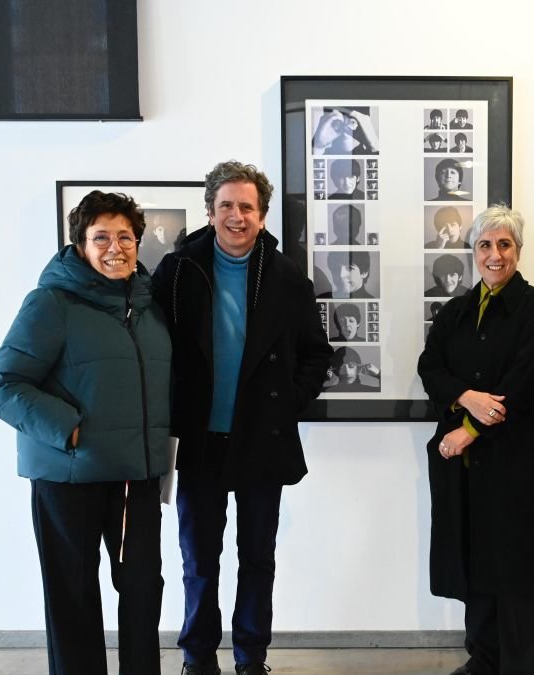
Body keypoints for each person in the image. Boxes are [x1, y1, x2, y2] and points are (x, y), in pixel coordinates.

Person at [152, 161, 333, 675]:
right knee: (199, 563)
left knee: (257, 560)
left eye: (246, 207)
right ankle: (197, 658)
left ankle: (252, 658)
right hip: (199, 442)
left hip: (261, 442)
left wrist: (284, 405)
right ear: (210, 211)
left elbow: (316, 354)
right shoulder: (179, 270)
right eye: (226, 205)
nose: (236, 216)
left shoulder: (286, 276)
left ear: (262, 214)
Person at [0, 190, 171, 675]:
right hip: (68, 480)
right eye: (101, 237)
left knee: (142, 591)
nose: (116, 247)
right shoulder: (51, 303)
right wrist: (69, 430)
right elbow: (4, 385)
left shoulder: (150, 306)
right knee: (72, 595)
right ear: (81, 245)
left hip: (136, 477)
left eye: (125, 236)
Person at [417, 205, 534, 675]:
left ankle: (526, 665)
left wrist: (470, 428)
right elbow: (430, 367)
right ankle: (485, 658)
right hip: (464, 466)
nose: (494, 255)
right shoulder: (454, 312)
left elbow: (527, 377)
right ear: (472, 251)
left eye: (504, 244)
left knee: (517, 566)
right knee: (474, 562)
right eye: (485, 245)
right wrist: (466, 396)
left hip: (515, 459)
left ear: (517, 250)